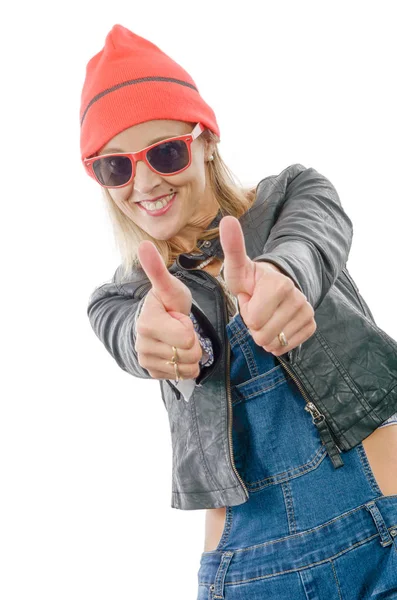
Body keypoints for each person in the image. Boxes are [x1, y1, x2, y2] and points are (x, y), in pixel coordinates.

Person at [80, 24, 397, 599]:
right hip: (252, 574)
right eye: (115, 167)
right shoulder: (123, 298)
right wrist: (158, 338)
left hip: (387, 524)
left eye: (166, 152)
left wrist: (284, 276)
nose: (145, 182)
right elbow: (127, 331)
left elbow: (312, 239)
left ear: (205, 140)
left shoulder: (293, 196)